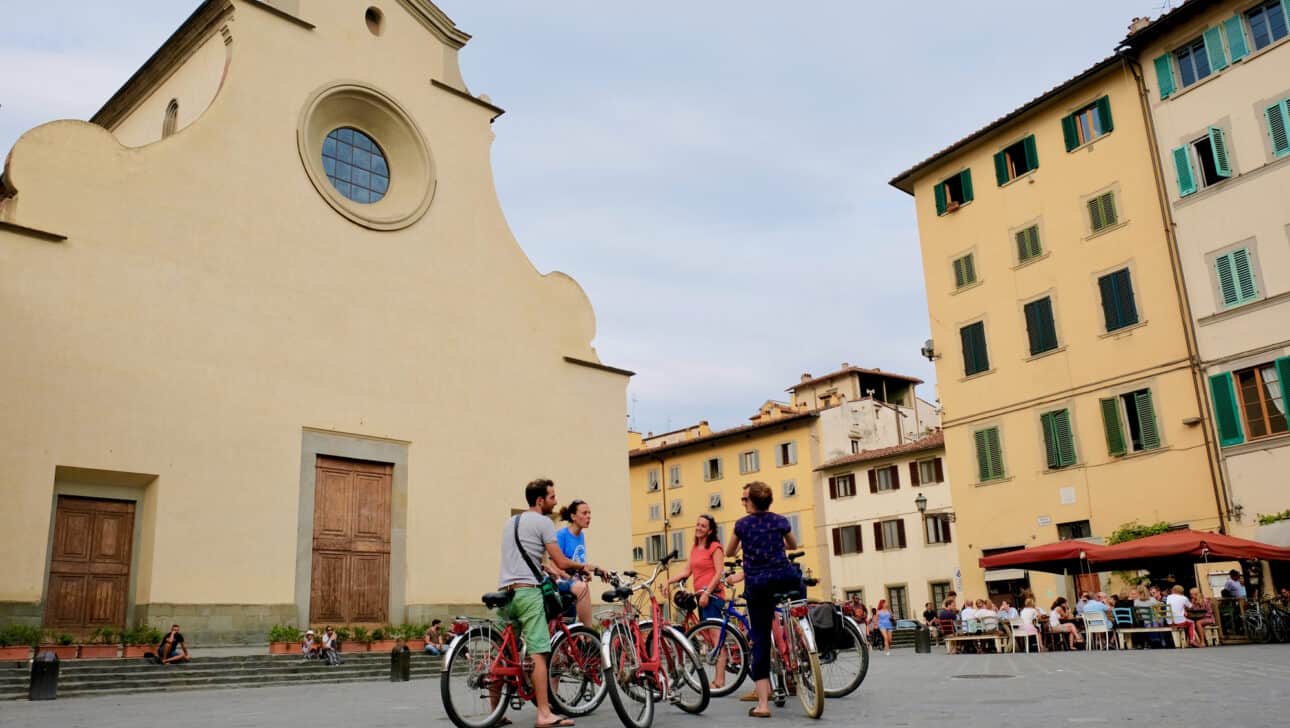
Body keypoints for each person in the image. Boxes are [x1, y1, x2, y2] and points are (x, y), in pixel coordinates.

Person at [497, 478, 589, 728]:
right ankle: (544, 714)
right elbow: (561, 560)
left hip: (505, 593)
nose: (556, 501)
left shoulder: (510, 522)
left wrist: (548, 568)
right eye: (552, 497)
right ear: (540, 501)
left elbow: (524, 557)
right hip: (528, 593)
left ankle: (495, 713)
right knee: (540, 650)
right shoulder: (543, 522)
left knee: (503, 653)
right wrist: (585, 566)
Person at [726, 481, 799, 719]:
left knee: (760, 640)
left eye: (745, 499)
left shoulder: (742, 525)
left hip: (758, 586)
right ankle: (802, 632)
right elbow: (793, 544)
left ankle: (763, 705)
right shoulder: (780, 521)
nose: (743, 503)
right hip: (784, 579)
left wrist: (743, 549)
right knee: (797, 594)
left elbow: (729, 552)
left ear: (752, 502)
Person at [667, 514, 729, 688]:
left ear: (710, 530)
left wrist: (707, 593)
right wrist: (668, 581)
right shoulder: (695, 548)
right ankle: (718, 678)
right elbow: (687, 571)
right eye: (698, 524)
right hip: (700, 596)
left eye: (703, 526)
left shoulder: (715, 547)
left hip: (712, 596)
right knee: (708, 637)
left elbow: (718, 573)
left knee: (716, 638)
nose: (699, 528)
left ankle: (719, 681)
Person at [553, 500, 604, 628]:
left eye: (589, 513)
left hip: (574, 585)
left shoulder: (580, 536)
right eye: (584, 513)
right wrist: (568, 577)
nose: (588, 516)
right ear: (573, 517)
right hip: (560, 583)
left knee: (569, 628)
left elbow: (579, 563)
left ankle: (582, 637)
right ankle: (588, 634)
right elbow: (552, 563)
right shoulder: (562, 535)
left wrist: (598, 569)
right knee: (583, 588)